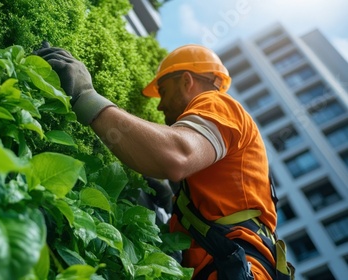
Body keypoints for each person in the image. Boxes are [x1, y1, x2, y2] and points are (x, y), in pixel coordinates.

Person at [35, 44, 294, 280]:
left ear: (187, 81)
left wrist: (85, 96)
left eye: (163, 91)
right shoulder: (222, 141)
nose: (159, 107)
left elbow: (175, 155)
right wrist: (173, 203)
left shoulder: (217, 103)